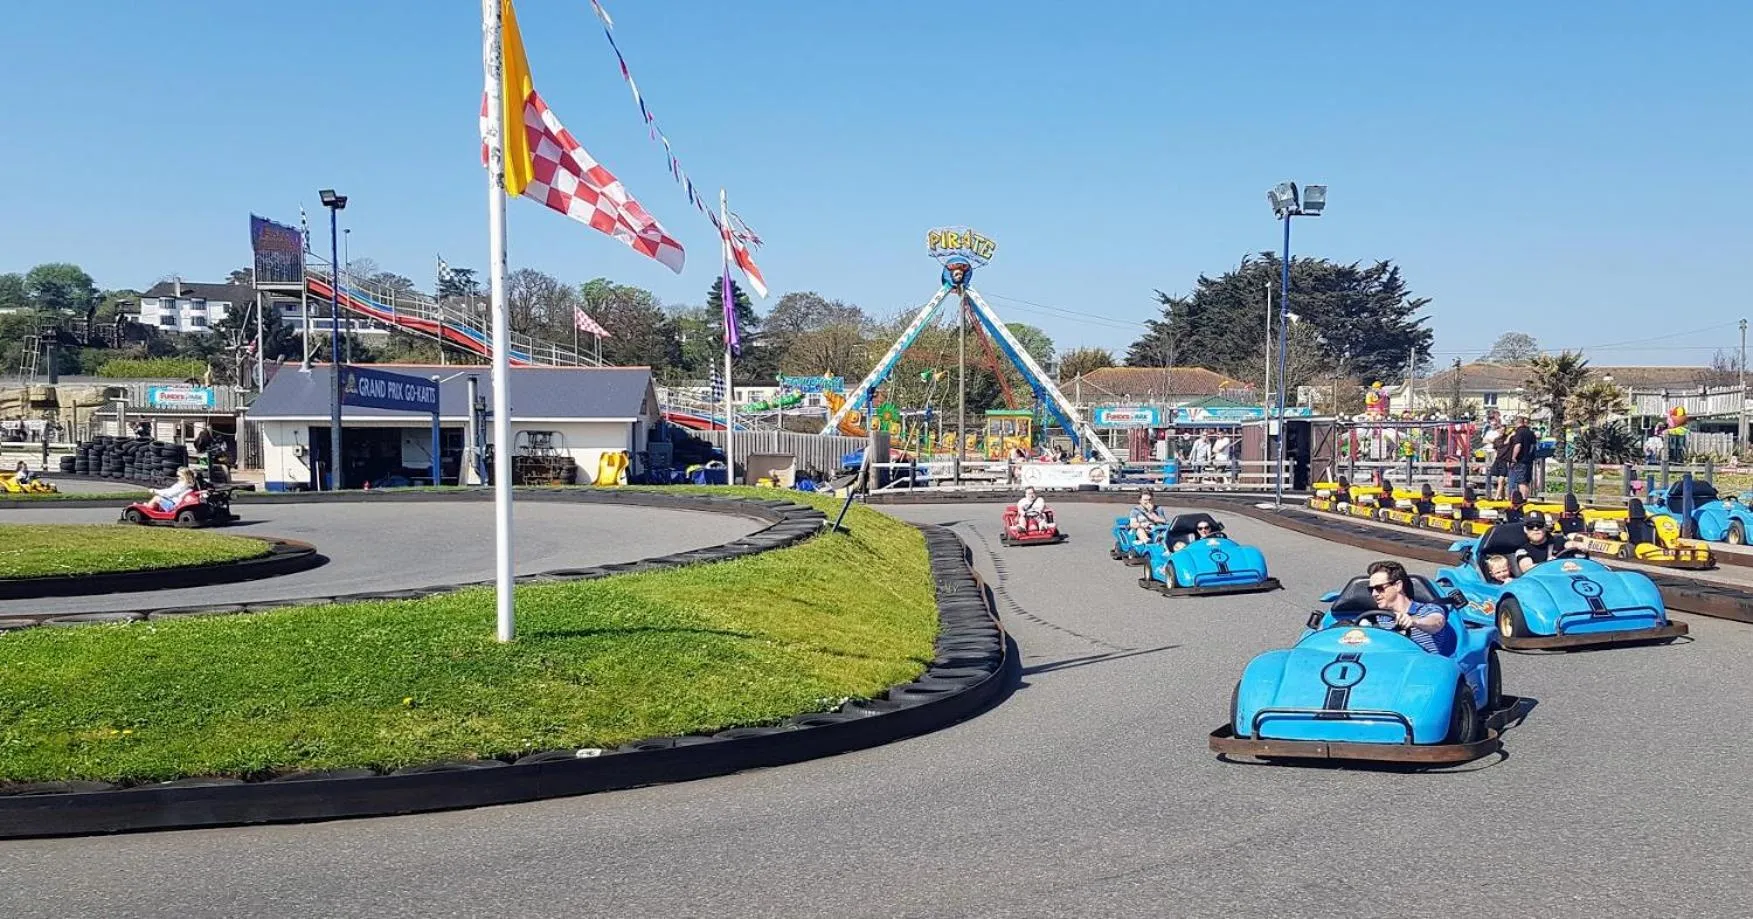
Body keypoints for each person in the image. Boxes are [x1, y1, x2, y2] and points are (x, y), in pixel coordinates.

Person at [1364, 560, 1451, 654]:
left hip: (1423, 665)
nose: (1374, 594)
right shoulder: (1376, 619)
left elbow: (1437, 622)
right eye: (1371, 589)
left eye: (1379, 588)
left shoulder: (1427, 610)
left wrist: (1415, 622)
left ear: (1398, 586)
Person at [1505, 415, 1538, 500]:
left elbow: (1518, 445)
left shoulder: (1519, 432)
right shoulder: (1531, 433)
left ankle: (1522, 500)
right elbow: (1533, 446)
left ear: (1517, 423)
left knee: (1521, 481)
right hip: (1529, 460)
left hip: (1520, 460)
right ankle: (1525, 499)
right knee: (1526, 481)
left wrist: (1513, 457)